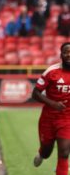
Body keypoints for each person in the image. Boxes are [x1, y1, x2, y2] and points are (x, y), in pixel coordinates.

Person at [32, 42, 70, 175]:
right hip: (48, 118)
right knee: (47, 150)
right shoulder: (52, 71)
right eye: (66, 52)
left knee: (64, 152)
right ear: (61, 55)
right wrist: (53, 103)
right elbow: (35, 93)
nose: (69, 55)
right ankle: (42, 154)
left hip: (67, 118)